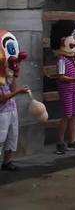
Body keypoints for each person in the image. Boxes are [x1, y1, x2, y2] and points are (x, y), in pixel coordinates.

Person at [50, 21, 75, 154]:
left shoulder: (70, 59)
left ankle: (72, 141)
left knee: (73, 115)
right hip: (66, 89)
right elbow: (60, 77)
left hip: (73, 88)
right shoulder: (61, 59)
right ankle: (60, 142)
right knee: (66, 115)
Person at [0, 30, 28, 171]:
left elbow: (12, 88)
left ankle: (7, 162)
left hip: (11, 109)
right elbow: (2, 98)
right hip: (2, 111)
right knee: (1, 137)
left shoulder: (8, 74)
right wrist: (18, 91)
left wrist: (15, 75)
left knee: (12, 136)